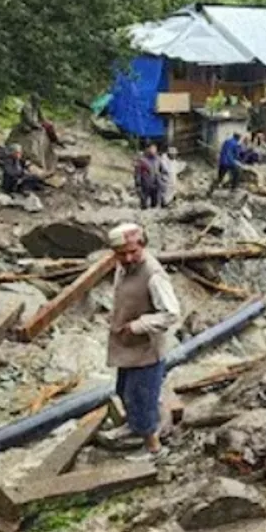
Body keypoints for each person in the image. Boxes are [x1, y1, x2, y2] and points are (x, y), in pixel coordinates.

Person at [106, 223, 181, 460]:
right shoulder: (123, 268)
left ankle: (153, 448)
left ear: (142, 246)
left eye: (133, 251)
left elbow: (171, 313)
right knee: (125, 391)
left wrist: (138, 325)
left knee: (143, 398)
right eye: (122, 253)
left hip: (146, 349)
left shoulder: (153, 274)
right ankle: (133, 427)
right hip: (127, 345)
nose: (128, 257)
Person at [135, 144, 167, 210]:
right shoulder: (142, 160)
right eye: (151, 149)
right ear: (147, 149)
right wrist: (138, 184)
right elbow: (137, 173)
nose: (153, 150)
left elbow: (163, 171)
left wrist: (162, 180)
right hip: (145, 184)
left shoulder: (158, 159)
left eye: (154, 149)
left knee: (154, 204)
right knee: (144, 204)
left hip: (156, 185)